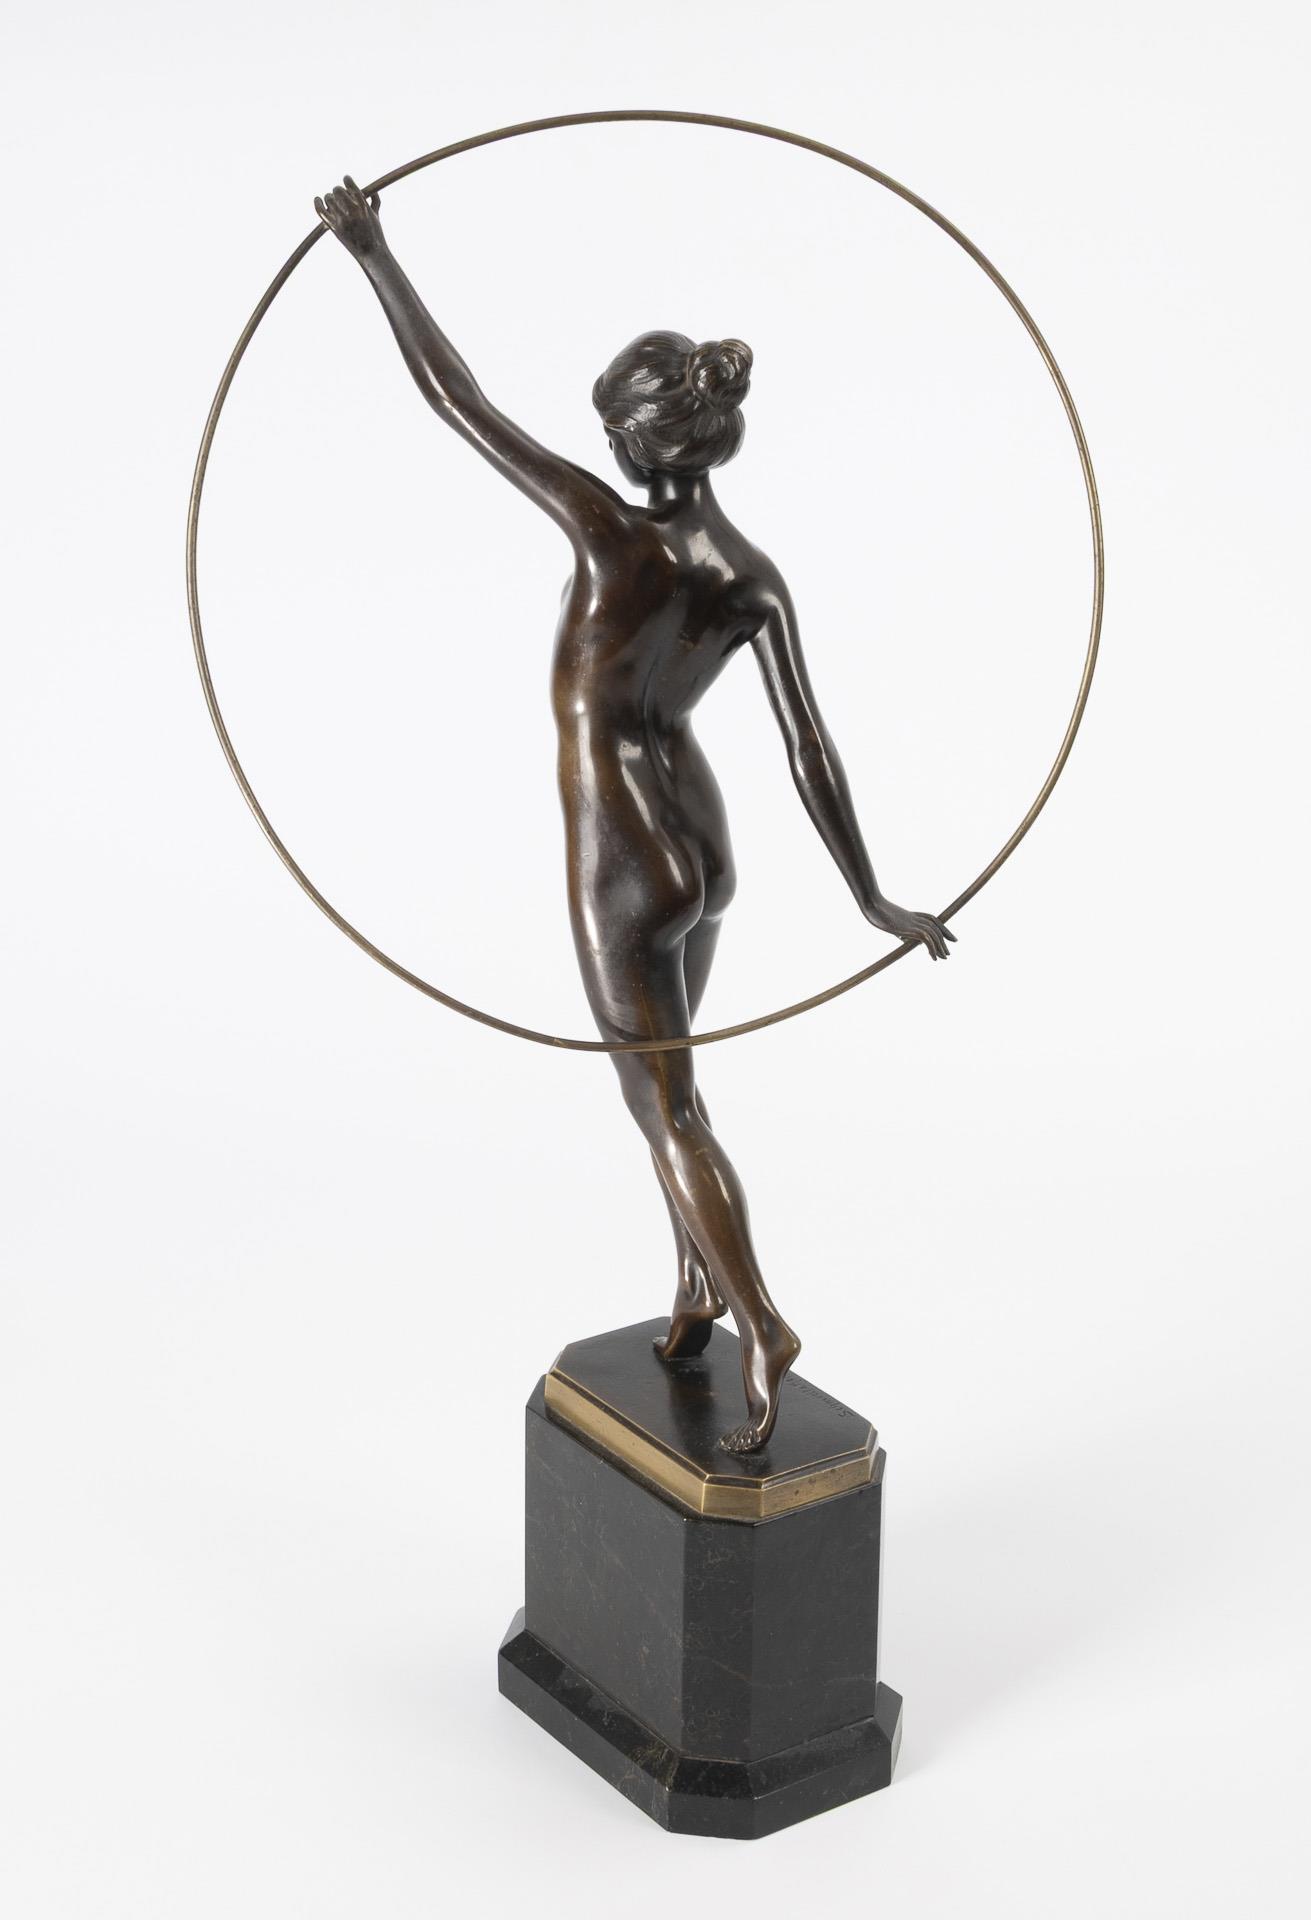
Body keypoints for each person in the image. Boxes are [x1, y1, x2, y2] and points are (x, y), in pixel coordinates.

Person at [316, 178, 954, 1450]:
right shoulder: (751, 576)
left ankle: (762, 1323)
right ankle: (695, 1286)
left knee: (665, 1109)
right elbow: (808, 747)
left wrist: (374, 254)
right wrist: (872, 898)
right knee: (677, 1085)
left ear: (632, 446)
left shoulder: (607, 529)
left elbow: (459, 401)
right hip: (705, 845)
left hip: (622, 846)